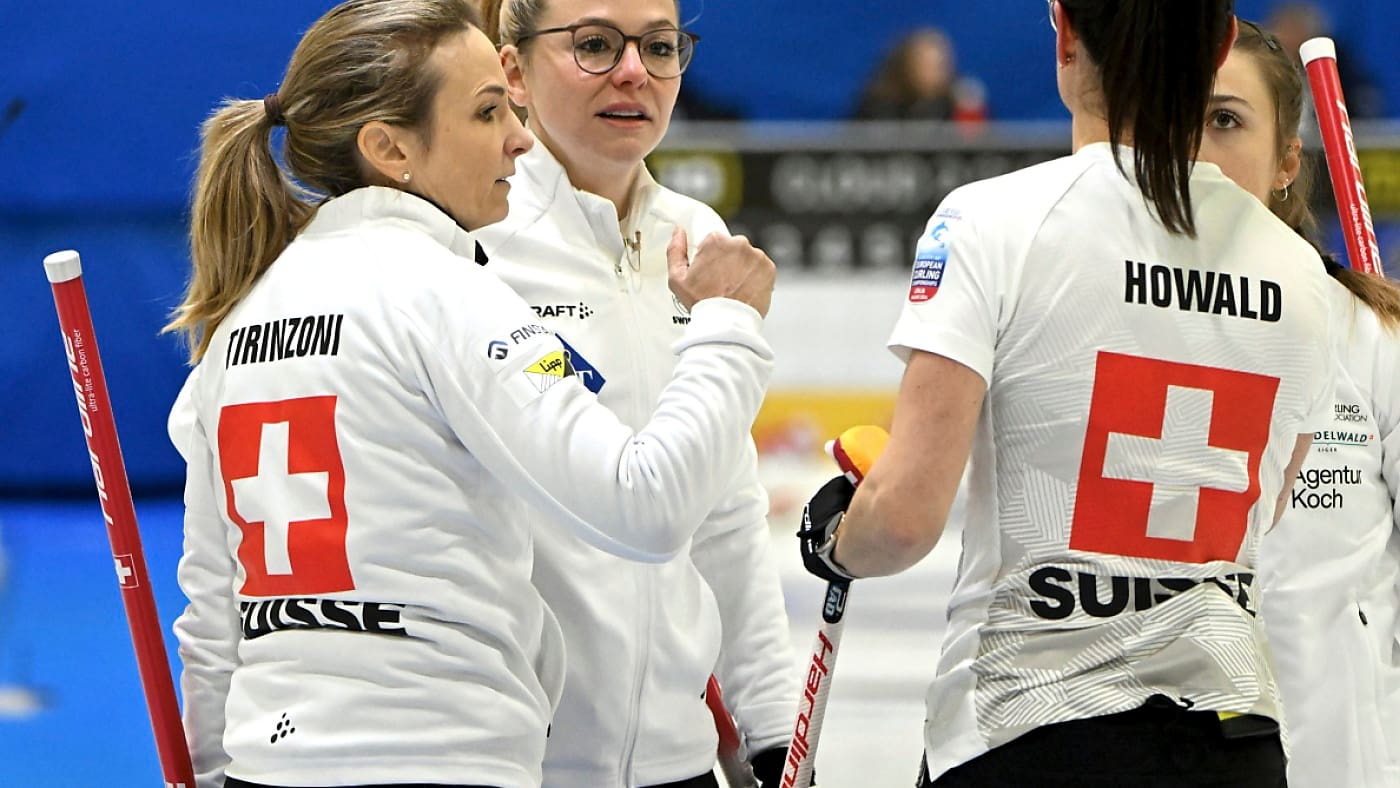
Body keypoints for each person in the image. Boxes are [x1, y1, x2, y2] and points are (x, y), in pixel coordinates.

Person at [163, 1, 778, 786]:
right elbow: (646, 504)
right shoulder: (454, 290)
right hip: (442, 754)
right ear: (389, 148)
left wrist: (215, 767)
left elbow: (213, 608)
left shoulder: (245, 312)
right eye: (488, 113)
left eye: (660, 46)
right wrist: (727, 327)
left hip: (273, 762)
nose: (518, 137)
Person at [796, 1, 1342, 786]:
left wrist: (837, 536)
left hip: (1029, 730)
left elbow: (905, 521)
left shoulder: (992, 221)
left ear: (1065, 35)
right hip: (1234, 742)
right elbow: (1267, 503)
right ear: (1221, 41)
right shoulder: (1300, 276)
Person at [475, 1, 796, 786]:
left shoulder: (697, 237)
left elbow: (722, 508)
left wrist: (773, 727)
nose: (633, 72)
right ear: (512, 69)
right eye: (593, 45)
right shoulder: (470, 238)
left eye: (659, 47)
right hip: (519, 762)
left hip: (676, 761)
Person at [1197, 20, 1400, 787]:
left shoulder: (1371, 336)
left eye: (1225, 120)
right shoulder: (1103, 325)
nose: (1197, 149)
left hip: (1342, 764)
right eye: (1175, 123)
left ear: (1288, 160)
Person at [852, 27, 986, 125]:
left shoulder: (962, 102)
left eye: (941, 65)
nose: (936, 72)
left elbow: (982, 148)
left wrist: (969, 111)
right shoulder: (879, 103)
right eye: (926, 64)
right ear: (906, 66)